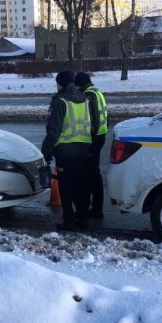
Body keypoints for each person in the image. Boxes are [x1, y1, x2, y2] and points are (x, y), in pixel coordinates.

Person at [41, 70, 92, 231]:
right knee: (81, 186)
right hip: (83, 149)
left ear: (61, 84)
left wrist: (46, 152)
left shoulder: (60, 102)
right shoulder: (84, 99)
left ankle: (69, 220)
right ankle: (82, 218)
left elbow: (53, 132)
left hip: (65, 152)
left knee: (66, 188)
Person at [75, 72, 108, 220]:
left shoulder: (87, 96)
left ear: (79, 84)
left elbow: (90, 118)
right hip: (101, 135)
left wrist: (88, 139)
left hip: (93, 139)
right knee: (94, 174)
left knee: (90, 176)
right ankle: (96, 208)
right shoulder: (97, 92)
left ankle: (94, 210)